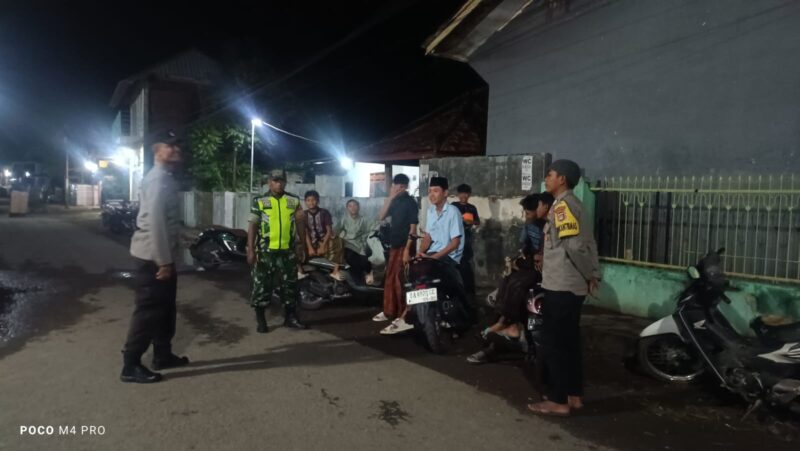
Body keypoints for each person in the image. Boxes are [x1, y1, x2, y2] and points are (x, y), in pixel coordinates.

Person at [528, 160, 601, 417]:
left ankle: (558, 400)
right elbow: (588, 243)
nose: (546, 179)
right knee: (570, 343)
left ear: (562, 179)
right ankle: (574, 395)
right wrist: (592, 274)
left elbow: (574, 247)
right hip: (571, 286)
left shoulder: (562, 206)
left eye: (550, 174)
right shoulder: (575, 205)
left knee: (555, 343)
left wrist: (590, 274)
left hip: (561, 285)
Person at [121, 131, 187, 384]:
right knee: (149, 311)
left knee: (165, 308)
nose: (176, 149)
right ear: (157, 150)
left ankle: (162, 354)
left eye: (177, 145)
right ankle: (130, 364)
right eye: (171, 145)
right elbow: (156, 223)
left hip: (161, 255)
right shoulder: (158, 180)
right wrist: (164, 261)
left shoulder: (166, 177)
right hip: (153, 258)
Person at [467, 192, 554, 364]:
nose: (525, 216)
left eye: (528, 212)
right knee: (507, 280)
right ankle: (503, 322)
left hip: (545, 271)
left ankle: (507, 323)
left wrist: (541, 257)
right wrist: (518, 259)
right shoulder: (529, 226)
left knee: (517, 284)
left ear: (542, 209)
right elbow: (525, 246)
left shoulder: (550, 226)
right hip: (531, 264)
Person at [380, 176, 466, 335]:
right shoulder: (431, 211)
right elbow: (428, 237)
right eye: (430, 191)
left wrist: (434, 257)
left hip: (449, 256)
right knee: (408, 273)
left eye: (436, 191)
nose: (432, 194)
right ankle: (411, 314)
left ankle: (405, 317)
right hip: (432, 254)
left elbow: (455, 243)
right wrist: (421, 252)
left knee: (424, 273)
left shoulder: (453, 212)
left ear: (445, 193)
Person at [248, 169, 307, 333]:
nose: (279, 184)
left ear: (285, 182)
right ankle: (261, 319)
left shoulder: (293, 201)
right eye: (275, 181)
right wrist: (250, 249)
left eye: (281, 181)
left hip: (288, 251)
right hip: (266, 251)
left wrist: (302, 245)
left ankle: (290, 318)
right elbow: (253, 225)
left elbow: (300, 223)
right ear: (269, 183)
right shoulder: (260, 201)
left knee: (290, 285)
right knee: (262, 285)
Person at [374, 174, 418, 332]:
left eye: (398, 186)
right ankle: (389, 311)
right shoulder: (394, 201)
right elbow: (381, 216)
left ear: (404, 187)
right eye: (394, 185)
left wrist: (407, 250)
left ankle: (402, 314)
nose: (395, 188)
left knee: (401, 280)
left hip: (405, 246)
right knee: (390, 278)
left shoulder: (410, 202)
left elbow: (413, 229)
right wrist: (390, 198)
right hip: (394, 245)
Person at [303, 190, 344, 281]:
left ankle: (335, 271)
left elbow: (329, 230)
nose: (311, 202)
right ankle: (300, 271)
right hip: (310, 241)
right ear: (305, 202)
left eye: (313, 200)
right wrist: (310, 247)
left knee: (339, 241)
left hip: (324, 239)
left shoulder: (324, 212)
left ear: (318, 201)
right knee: (296, 245)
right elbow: (305, 233)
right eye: (308, 200)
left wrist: (323, 246)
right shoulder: (304, 214)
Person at [335, 199, 377, 284]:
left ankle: (366, 276)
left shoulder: (364, 219)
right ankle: (359, 281)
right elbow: (335, 231)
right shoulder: (344, 219)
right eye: (350, 206)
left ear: (359, 207)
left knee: (366, 260)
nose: (353, 208)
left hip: (361, 245)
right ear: (347, 208)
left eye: (355, 205)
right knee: (351, 258)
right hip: (348, 244)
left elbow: (374, 227)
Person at [452, 184, 480, 302]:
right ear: (458, 194)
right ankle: (456, 291)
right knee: (455, 265)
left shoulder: (472, 208)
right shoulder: (453, 206)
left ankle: (469, 292)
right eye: (461, 193)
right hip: (454, 239)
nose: (464, 196)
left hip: (467, 239)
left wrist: (471, 221)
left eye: (466, 194)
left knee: (466, 264)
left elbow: (477, 222)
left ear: (469, 195)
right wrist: (460, 219)